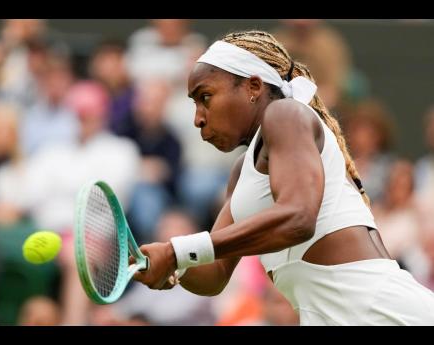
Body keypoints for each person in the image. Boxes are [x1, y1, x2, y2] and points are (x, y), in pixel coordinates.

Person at [131, 30, 434, 326]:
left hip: (384, 313)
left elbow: (298, 218)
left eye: (205, 97)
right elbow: (216, 273)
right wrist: (173, 265)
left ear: (252, 87)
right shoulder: (241, 172)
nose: (197, 117)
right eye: (194, 103)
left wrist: (176, 252)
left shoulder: (286, 115)